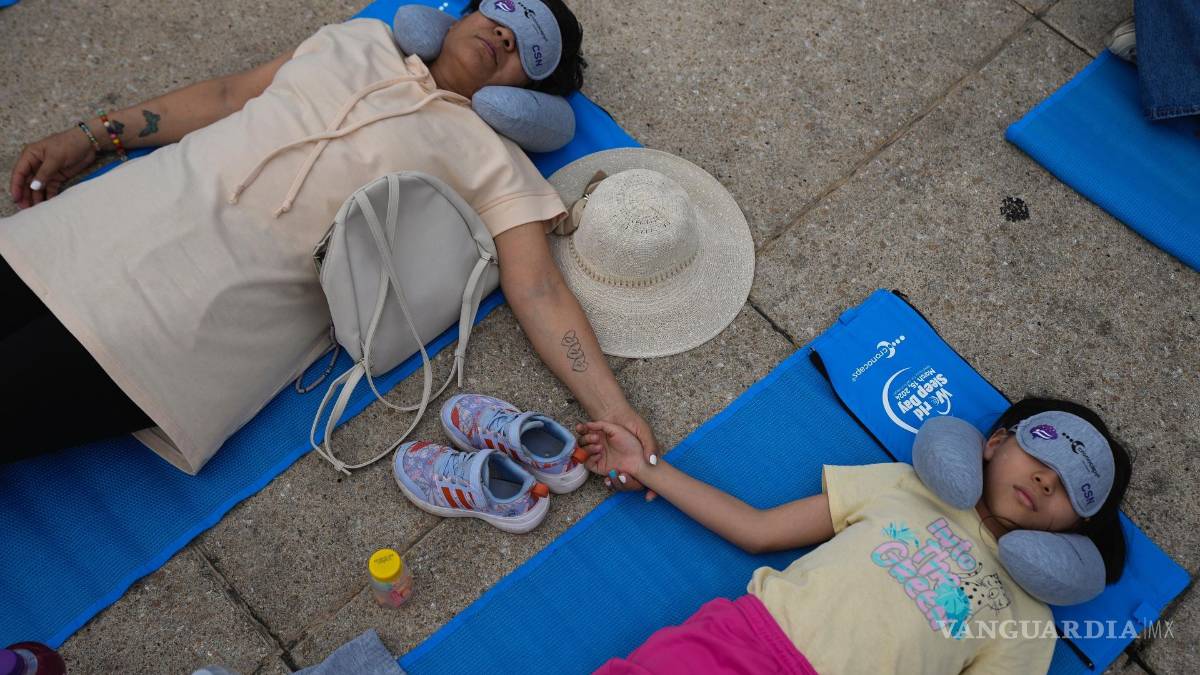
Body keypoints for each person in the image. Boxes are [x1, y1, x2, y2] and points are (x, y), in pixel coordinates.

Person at [0, 0, 659, 477]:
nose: (502, 35)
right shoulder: (359, 40)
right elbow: (231, 94)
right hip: (91, 225)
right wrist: (93, 135)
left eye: (526, 51)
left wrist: (615, 411)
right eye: (502, 12)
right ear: (454, 14)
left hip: (174, 329)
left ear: (533, 104)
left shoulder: (498, 163)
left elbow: (538, 287)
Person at [576, 397, 1132, 674]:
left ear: (1078, 530)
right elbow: (758, 529)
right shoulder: (904, 485)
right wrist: (647, 467)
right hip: (744, 643)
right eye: (1040, 451)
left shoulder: (1031, 624)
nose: (1044, 477)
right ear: (994, 442)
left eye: (1070, 489)